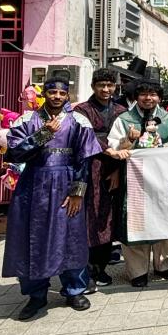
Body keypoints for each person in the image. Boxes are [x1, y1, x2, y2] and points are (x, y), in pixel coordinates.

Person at [3, 73, 102, 321]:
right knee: (33, 237)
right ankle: (36, 295)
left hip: (67, 183)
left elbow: (84, 159)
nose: (56, 97)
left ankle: (74, 290)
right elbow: (13, 153)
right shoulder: (28, 120)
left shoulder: (79, 121)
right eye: (51, 92)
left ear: (67, 94)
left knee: (71, 236)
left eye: (61, 93)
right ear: (43, 94)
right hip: (33, 185)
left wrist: (78, 192)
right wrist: (42, 135)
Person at [107, 78, 168, 287]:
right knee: (135, 221)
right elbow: (114, 147)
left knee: (164, 219)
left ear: (159, 97)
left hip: (161, 179)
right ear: (136, 96)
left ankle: (164, 265)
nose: (149, 98)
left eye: (153, 94)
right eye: (144, 94)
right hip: (134, 180)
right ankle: (137, 271)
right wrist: (128, 141)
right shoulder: (124, 119)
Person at [73, 68, 128, 289]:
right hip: (89, 166)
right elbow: (85, 137)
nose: (106, 90)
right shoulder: (82, 110)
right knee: (89, 217)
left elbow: (125, 140)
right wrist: (109, 151)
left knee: (109, 219)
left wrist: (117, 168)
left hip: (114, 168)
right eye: (101, 85)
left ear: (115, 87)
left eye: (110, 85)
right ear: (93, 86)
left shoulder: (121, 110)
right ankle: (86, 268)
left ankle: (102, 267)